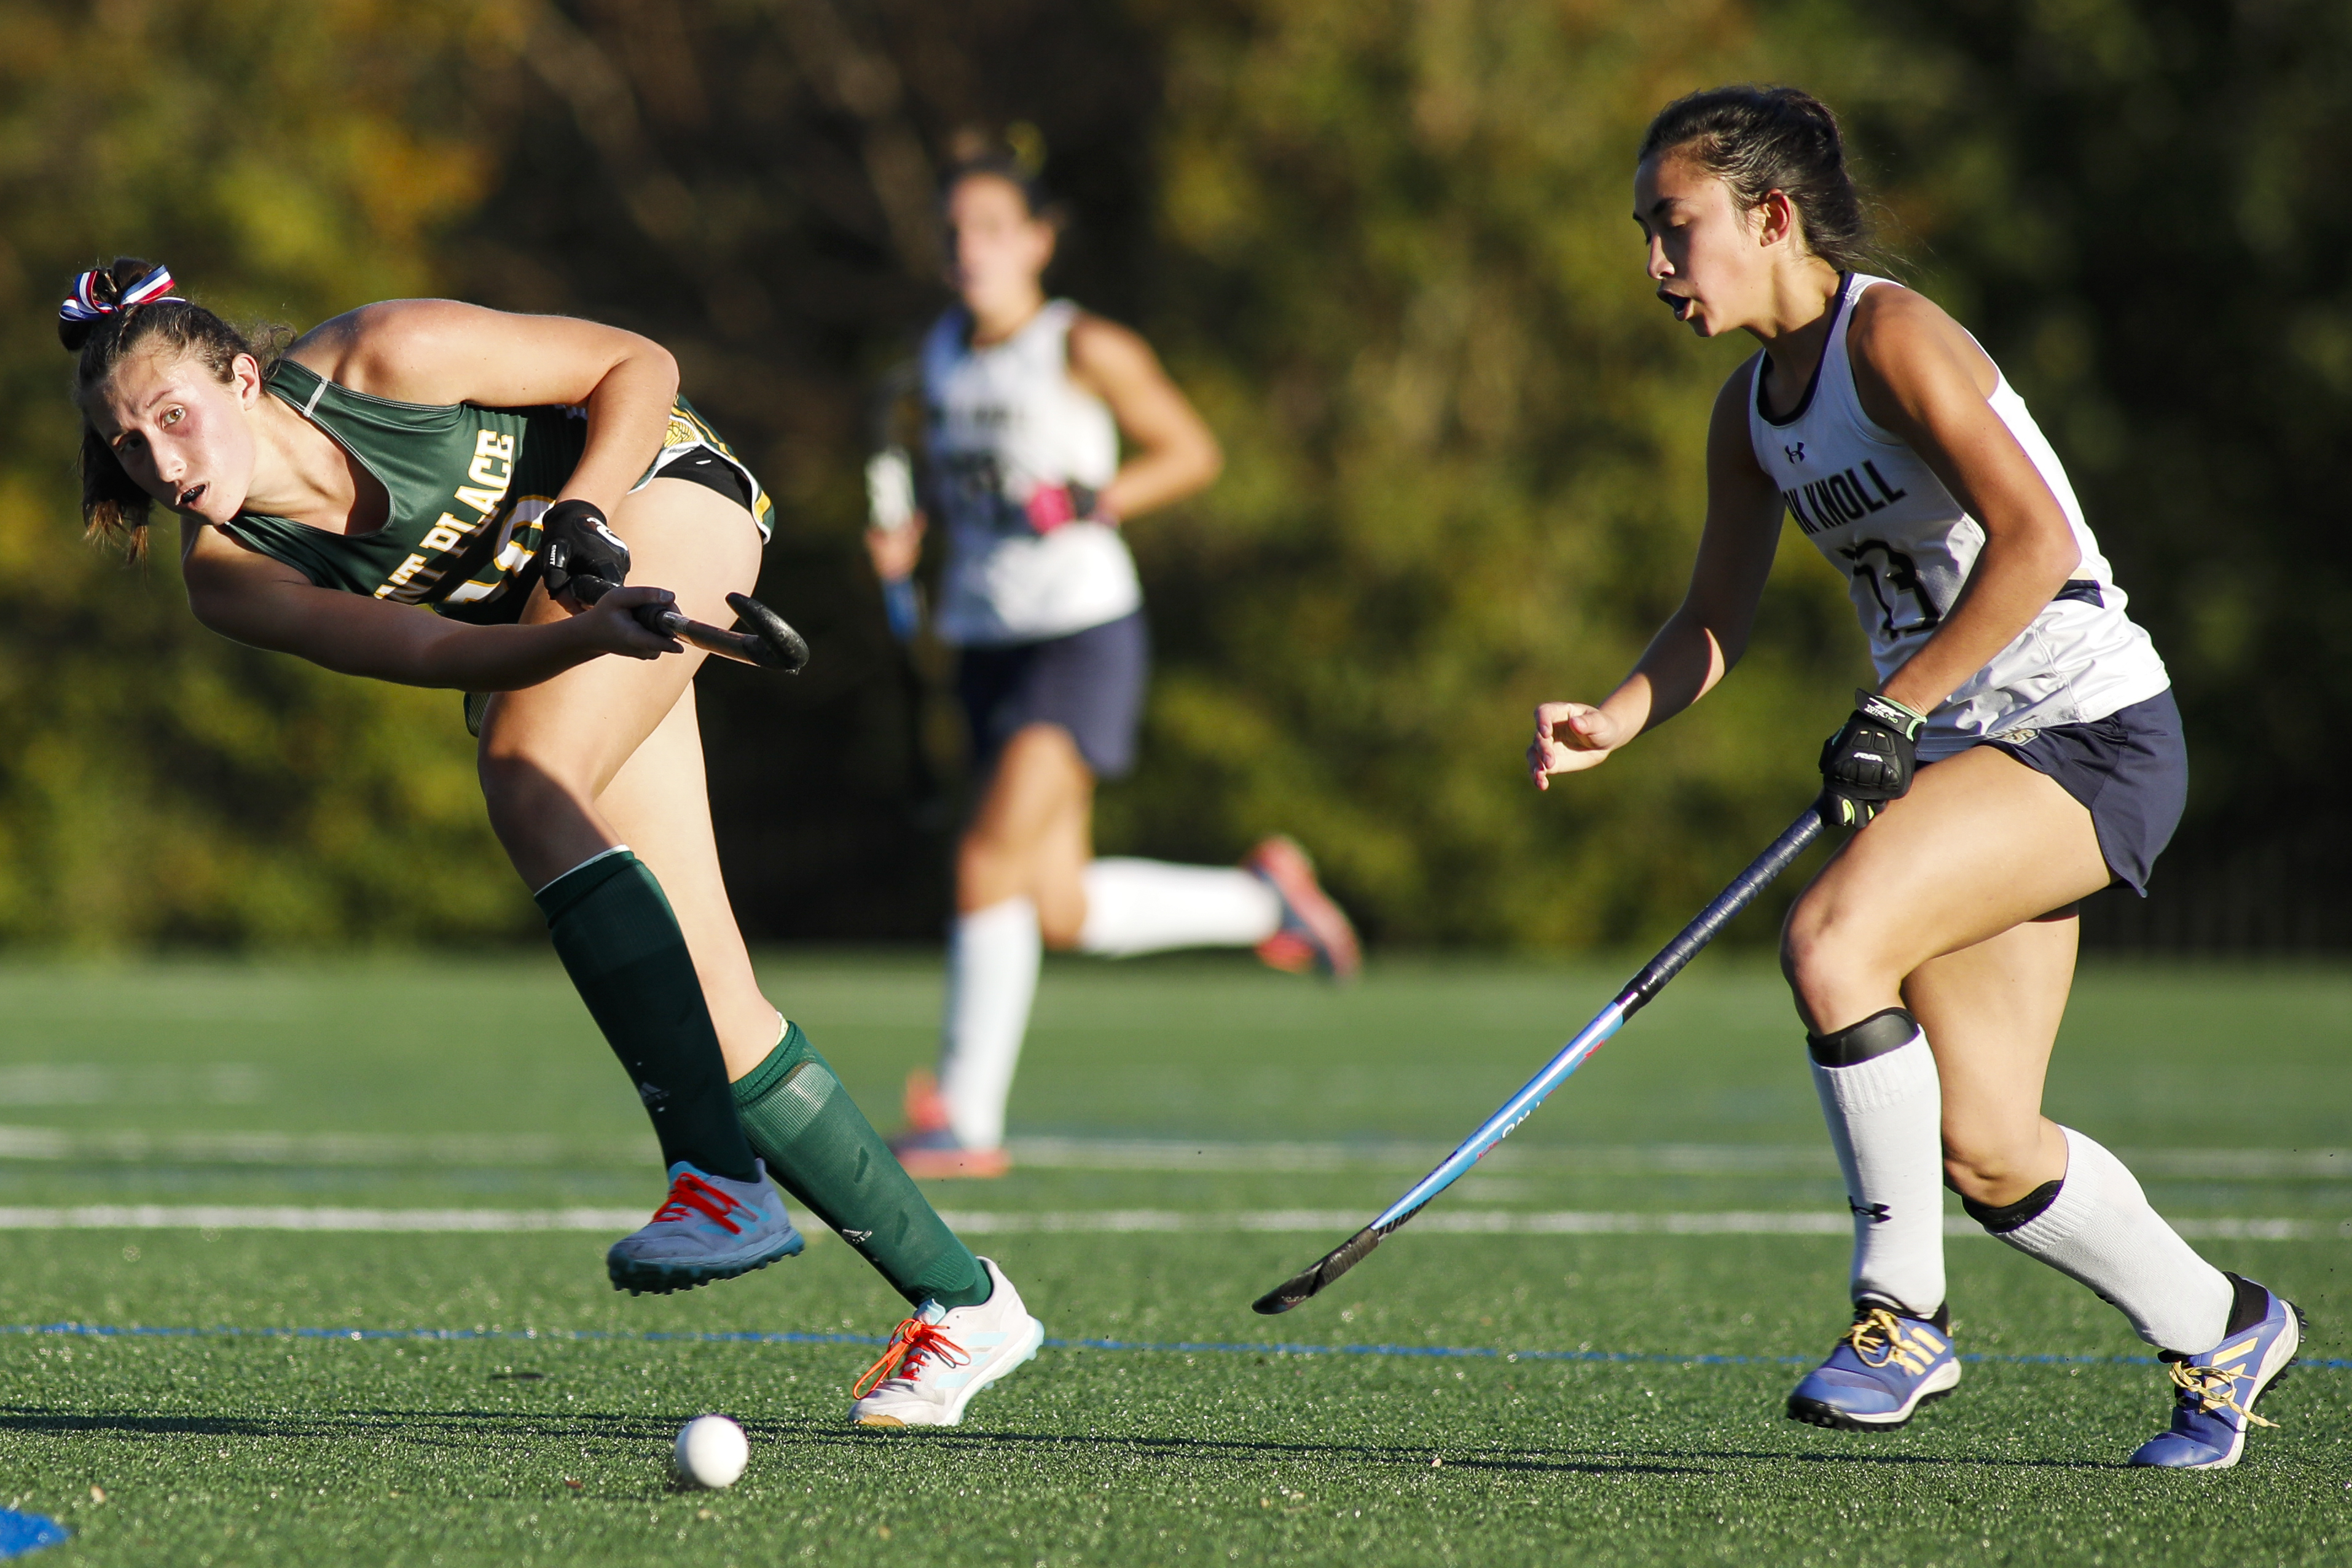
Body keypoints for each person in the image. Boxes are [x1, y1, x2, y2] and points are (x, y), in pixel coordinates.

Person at [60, 257, 1038, 1427]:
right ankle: (965, 1303)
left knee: (528, 772)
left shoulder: (387, 355)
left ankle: (715, 1180)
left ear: (243, 374)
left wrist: (583, 509)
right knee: (719, 1017)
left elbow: (640, 363)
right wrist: (584, 639)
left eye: (174, 417)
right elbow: (437, 657)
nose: (162, 464)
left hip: (669, 481)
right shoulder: (229, 578)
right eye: (130, 447)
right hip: (579, 615)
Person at [1526, 88, 2300, 1470]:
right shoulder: (1748, 412)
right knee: (1991, 1147)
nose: (1653, 263)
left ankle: (1902, 1315)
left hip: (2088, 732)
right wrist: (1616, 718)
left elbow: (2034, 540)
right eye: (1646, 232)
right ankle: (2223, 1325)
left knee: (1833, 939)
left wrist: (1895, 704)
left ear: (1771, 217)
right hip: (1961, 749)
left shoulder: (1890, 337)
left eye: (1674, 227)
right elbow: (1716, 617)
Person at [866, 155, 1362, 1179]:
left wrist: (1092, 502)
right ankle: (1268, 905)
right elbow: (954, 492)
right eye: (955, 230)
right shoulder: (939, 355)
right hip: (982, 640)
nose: (970, 248)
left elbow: (1191, 451)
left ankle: (963, 1118)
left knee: (982, 863)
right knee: (1058, 909)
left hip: (1080, 635)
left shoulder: (1082, 344)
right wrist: (907, 545)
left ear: (1040, 241)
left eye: (994, 228)